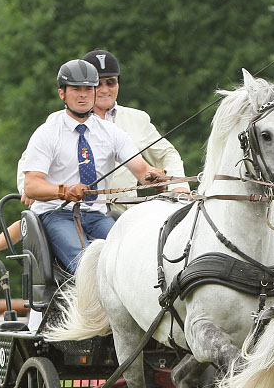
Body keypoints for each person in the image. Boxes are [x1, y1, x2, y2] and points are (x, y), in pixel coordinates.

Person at [20, 59, 166, 273]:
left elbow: (142, 170)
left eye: (88, 89)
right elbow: (31, 186)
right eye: (76, 89)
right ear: (62, 94)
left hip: (96, 214)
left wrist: (155, 178)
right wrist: (65, 191)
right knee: (87, 263)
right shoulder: (47, 133)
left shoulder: (112, 133)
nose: (82, 94)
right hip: (57, 213)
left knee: (131, 256)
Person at [81, 48, 185, 211]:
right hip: (82, 213)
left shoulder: (138, 119)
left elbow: (167, 154)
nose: (105, 89)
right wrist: (27, 188)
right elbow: (31, 161)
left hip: (126, 216)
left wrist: (178, 187)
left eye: (110, 82)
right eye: (97, 83)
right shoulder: (65, 120)